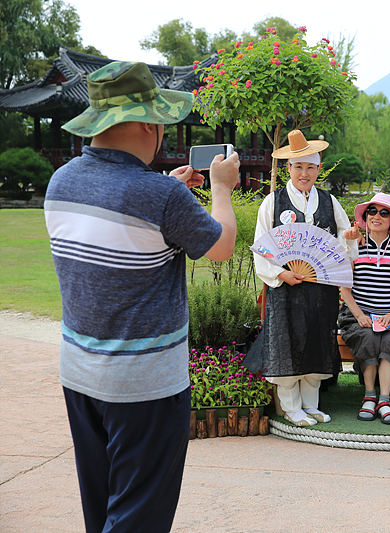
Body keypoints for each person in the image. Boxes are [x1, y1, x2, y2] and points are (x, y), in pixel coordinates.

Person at [45, 61, 240, 532]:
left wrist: (169, 188)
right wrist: (221, 189)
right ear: (147, 124)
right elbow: (222, 247)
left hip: (81, 373)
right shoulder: (159, 197)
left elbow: (121, 217)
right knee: (138, 518)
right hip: (144, 385)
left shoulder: (62, 182)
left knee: (103, 504)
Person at [243, 130, 358, 427]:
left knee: (318, 342)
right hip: (285, 288)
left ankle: (311, 405)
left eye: (310, 167)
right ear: (288, 169)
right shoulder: (273, 202)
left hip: (321, 288)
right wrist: (280, 272)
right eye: (298, 167)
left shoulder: (330, 202)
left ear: (318, 170)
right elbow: (261, 246)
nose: (304, 173)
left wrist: (351, 239)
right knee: (287, 343)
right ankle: (291, 408)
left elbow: (344, 246)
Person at [340, 193, 390, 424]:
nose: (377, 216)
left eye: (384, 212)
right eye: (372, 211)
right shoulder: (354, 246)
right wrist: (359, 315)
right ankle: (369, 396)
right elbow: (344, 287)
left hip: (389, 314)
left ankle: (384, 400)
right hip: (357, 313)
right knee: (367, 337)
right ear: (365, 217)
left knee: (388, 341)